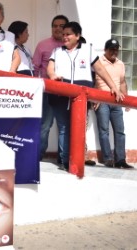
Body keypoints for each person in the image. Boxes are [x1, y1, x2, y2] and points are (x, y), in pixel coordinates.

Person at [47, 21, 124, 171]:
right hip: (60, 96)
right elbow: (50, 68)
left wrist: (113, 87)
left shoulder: (88, 50)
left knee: (78, 128)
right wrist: (53, 76)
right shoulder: (57, 51)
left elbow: (100, 70)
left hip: (81, 99)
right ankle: (65, 161)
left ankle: (76, 158)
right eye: (63, 34)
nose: (65, 37)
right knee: (63, 128)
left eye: (68, 34)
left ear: (77, 35)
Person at [32, 14, 68, 162]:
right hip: (47, 92)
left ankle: (63, 158)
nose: (57, 29)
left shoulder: (71, 47)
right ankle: (38, 157)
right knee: (45, 125)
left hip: (66, 93)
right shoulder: (43, 45)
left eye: (61, 26)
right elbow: (35, 68)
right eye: (55, 26)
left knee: (64, 126)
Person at [94, 39, 133, 169]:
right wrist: (95, 98)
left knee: (120, 131)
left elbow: (122, 82)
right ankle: (108, 159)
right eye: (111, 49)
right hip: (102, 101)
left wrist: (127, 100)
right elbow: (93, 81)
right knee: (104, 131)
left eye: (116, 49)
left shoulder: (121, 64)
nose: (114, 52)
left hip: (117, 102)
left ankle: (120, 160)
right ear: (105, 50)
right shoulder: (98, 62)